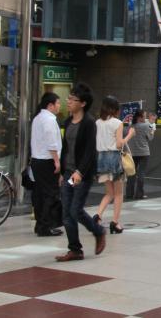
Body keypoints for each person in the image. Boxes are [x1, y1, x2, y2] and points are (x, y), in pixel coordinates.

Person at [55, 83, 107, 262]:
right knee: (66, 213)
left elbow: (90, 152)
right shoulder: (68, 121)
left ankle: (98, 231)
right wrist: (63, 172)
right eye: (68, 98)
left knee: (75, 210)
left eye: (72, 99)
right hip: (69, 173)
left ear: (83, 103)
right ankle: (75, 250)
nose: (68, 102)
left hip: (82, 175)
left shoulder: (89, 123)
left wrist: (80, 172)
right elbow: (66, 148)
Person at [94, 96, 136, 234]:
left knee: (109, 193)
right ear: (115, 108)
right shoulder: (117, 123)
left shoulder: (98, 123)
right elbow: (119, 144)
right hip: (113, 158)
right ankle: (115, 223)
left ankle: (98, 215)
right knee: (118, 194)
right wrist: (130, 135)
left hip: (101, 158)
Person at [30, 92, 63, 237]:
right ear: (50, 105)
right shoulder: (49, 120)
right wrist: (57, 161)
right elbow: (52, 143)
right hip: (47, 161)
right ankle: (45, 226)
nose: (59, 106)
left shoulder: (38, 118)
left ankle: (40, 224)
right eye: (58, 103)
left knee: (40, 193)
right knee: (51, 194)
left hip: (37, 160)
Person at [125, 110, 155, 200]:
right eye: (144, 116)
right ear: (140, 117)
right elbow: (150, 138)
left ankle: (129, 194)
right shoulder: (146, 126)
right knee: (141, 174)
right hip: (144, 153)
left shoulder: (131, 125)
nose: (145, 118)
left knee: (131, 173)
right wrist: (152, 131)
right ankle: (139, 194)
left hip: (132, 153)